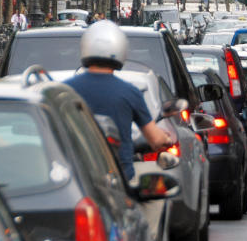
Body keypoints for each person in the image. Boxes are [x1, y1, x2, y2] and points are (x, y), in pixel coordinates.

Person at [65, 20, 174, 180]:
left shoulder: (64, 90)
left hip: (78, 180)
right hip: (120, 180)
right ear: (120, 49)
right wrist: (166, 138)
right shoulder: (130, 93)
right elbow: (155, 140)